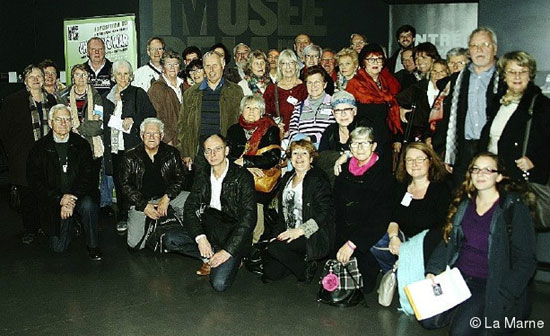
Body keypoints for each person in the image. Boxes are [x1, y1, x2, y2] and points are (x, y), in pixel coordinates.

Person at [421, 152, 537, 335]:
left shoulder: (512, 208)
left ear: (499, 176)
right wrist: (433, 271)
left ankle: (474, 309)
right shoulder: (465, 204)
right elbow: (448, 241)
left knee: (459, 333)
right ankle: (464, 306)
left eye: (488, 170)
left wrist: (504, 292)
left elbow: (527, 260)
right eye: (476, 169)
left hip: (489, 282)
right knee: (427, 320)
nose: (480, 174)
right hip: (458, 277)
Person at [167, 134, 256, 292]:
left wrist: (228, 251)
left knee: (219, 284)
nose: (212, 155)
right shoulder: (202, 174)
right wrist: (201, 238)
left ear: (226, 150)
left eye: (217, 149)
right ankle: (209, 254)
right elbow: (190, 208)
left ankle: (233, 257)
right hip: (210, 227)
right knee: (170, 239)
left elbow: (248, 219)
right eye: (208, 151)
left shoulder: (243, 176)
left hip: (232, 233)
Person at [26, 104, 102, 260]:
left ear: (72, 122)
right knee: (58, 248)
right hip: (54, 199)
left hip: (78, 196)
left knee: (88, 205)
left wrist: (71, 199)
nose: (63, 123)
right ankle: (72, 223)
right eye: (59, 119)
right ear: (50, 122)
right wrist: (60, 199)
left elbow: (88, 176)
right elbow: (36, 182)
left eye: (67, 119)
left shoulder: (81, 145)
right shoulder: (39, 148)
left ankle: (93, 245)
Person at [333, 126, 395, 299]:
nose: (359, 148)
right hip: (344, 234)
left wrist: (353, 244)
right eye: (355, 144)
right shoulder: (343, 171)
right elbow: (336, 207)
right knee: (336, 283)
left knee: (363, 287)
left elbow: (381, 217)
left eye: (364, 143)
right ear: (350, 148)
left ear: (373, 146)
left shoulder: (383, 175)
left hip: (366, 238)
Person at [262, 139, 334, 283]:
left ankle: (304, 271)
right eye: (295, 153)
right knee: (269, 275)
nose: (299, 157)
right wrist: (275, 235)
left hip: (311, 234)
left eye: (304, 153)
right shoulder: (287, 178)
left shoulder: (318, 178)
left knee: (274, 249)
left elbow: (326, 213)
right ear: (290, 158)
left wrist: (300, 231)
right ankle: (299, 259)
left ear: (311, 158)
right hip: (290, 231)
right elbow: (282, 213)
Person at [371, 142, 449, 273]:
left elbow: (441, 229)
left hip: (428, 244)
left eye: (420, 159)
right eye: (410, 160)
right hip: (403, 239)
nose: (414, 164)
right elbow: (392, 216)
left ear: (430, 162)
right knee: (376, 239)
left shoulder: (441, 189)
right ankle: (393, 274)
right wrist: (394, 237)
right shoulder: (400, 186)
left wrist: (409, 250)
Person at [439, 27, 503, 186]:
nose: (479, 49)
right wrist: (449, 154)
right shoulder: (458, 79)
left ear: (494, 49)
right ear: (469, 51)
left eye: (485, 45)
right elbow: (448, 117)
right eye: (474, 46)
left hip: (494, 149)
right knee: (461, 200)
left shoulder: (506, 78)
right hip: (464, 151)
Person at [0, 65, 57, 244]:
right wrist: (13, 152)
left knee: (46, 192)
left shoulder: (52, 100)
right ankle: (30, 229)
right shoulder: (13, 101)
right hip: (23, 156)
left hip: (47, 155)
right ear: (25, 80)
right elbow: (4, 131)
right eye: (31, 76)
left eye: (39, 76)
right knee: (27, 195)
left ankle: (46, 226)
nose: (35, 79)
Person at [479, 51, 550, 184]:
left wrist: (535, 160)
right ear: (504, 76)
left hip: (518, 180)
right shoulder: (498, 102)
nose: (517, 76)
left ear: (530, 75)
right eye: (511, 71)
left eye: (522, 71)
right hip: (493, 176)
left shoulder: (542, 105)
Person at [103, 60, 157, 232]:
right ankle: (123, 216)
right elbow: (104, 120)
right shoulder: (108, 97)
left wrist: (135, 121)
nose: (122, 77)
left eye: (126, 73)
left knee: (136, 181)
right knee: (120, 183)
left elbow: (151, 116)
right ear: (113, 76)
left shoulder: (137, 93)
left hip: (133, 148)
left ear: (131, 75)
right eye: (119, 74)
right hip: (114, 147)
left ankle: (141, 214)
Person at [120, 118, 189, 249]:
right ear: (141, 135)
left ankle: (177, 228)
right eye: (147, 133)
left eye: (156, 133)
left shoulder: (172, 153)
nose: (151, 137)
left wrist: (167, 197)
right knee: (135, 245)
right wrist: (144, 205)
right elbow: (126, 186)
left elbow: (180, 179)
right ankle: (156, 225)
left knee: (192, 200)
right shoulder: (130, 156)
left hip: (167, 198)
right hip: (142, 202)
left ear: (161, 136)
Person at [226, 94, 281, 243]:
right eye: (247, 107)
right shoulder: (233, 130)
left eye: (256, 108)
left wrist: (245, 162)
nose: (251, 111)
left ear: (262, 112)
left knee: (254, 203)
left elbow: (273, 157)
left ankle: (254, 243)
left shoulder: (270, 130)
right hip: (237, 176)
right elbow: (227, 157)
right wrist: (245, 167)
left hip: (260, 181)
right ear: (241, 110)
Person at [178, 50, 244, 171]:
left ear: (223, 65)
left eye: (215, 65)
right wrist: (185, 152)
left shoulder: (236, 91)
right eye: (208, 66)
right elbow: (182, 125)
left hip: (226, 151)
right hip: (200, 152)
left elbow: (241, 122)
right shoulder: (191, 93)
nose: (211, 70)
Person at [346, 43, 403, 171]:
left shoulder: (387, 82)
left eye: (379, 58)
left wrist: (397, 137)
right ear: (363, 63)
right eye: (371, 59)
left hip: (385, 140)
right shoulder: (354, 84)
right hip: (365, 141)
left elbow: (392, 111)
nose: (375, 62)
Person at [57, 64, 105, 204]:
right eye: (77, 74)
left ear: (89, 77)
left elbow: (98, 126)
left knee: (92, 185)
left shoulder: (96, 97)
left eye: (84, 74)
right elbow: (62, 123)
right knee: (71, 183)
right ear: (72, 78)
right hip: (69, 146)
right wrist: (80, 126)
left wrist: (77, 129)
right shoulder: (63, 97)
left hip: (91, 147)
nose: (81, 78)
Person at [397, 59, 450, 143]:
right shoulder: (417, 88)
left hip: (441, 138)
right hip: (418, 137)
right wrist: (399, 108)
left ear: (447, 74)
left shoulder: (449, 92)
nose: (437, 75)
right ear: (430, 73)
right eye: (434, 71)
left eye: (442, 72)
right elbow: (394, 101)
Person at [288, 65, 335, 146]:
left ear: (325, 84)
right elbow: (292, 130)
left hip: (324, 148)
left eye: (317, 82)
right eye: (310, 82)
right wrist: (302, 141)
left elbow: (333, 130)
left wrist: (312, 139)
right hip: (302, 148)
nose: (313, 86)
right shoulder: (299, 107)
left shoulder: (333, 104)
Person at [263, 49, 307, 134]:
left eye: (291, 63)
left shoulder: (305, 88)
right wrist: (276, 126)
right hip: (280, 136)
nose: (288, 67)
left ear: (296, 65)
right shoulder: (271, 89)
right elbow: (265, 115)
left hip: (301, 136)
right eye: (284, 63)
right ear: (279, 66)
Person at [148, 50, 185, 146]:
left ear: (179, 67)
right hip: (168, 142)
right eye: (169, 64)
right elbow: (155, 117)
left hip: (185, 140)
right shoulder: (156, 89)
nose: (172, 67)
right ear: (163, 67)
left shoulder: (185, 87)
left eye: (175, 64)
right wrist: (168, 139)